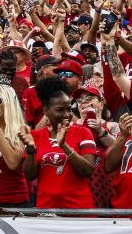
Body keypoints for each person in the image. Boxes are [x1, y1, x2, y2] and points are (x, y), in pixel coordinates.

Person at [22, 76, 98, 209]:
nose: (67, 114)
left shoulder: (83, 132)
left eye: (69, 109)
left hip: (79, 210)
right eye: (60, 110)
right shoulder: (35, 136)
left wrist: (64, 146)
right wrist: (30, 152)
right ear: (46, 111)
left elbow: (88, 171)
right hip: (46, 209)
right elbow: (29, 175)